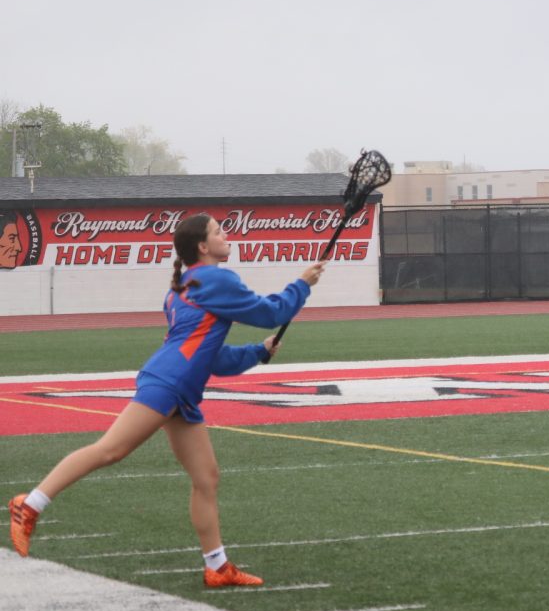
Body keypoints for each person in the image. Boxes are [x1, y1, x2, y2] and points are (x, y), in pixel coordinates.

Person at [8, 213, 327, 587]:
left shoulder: (188, 283)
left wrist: (258, 352)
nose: (228, 235)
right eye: (219, 232)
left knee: (206, 478)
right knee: (111, 450)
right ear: (203, 247)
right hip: (169, 383)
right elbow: (272, 312)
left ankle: (217, 566)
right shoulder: (215, 278)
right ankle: (29, 504)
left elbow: (214, 358)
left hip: (182, 391)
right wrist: (302, 284)